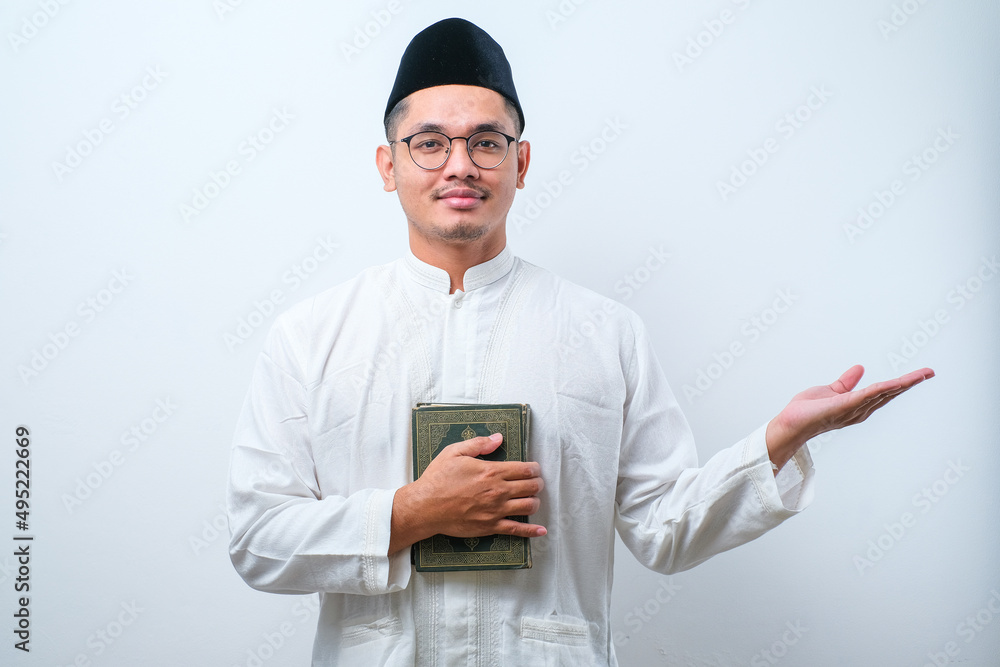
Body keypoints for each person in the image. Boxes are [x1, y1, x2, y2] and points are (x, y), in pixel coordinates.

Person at [226, 17, 933, 666]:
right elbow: (257, 538)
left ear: (521, 162)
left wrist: (777, 441)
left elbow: (666, 528)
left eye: (486, 142)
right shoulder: (312, 337)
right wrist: (410, 514)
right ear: (389, 165)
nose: (460, 164)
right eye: (430, 143)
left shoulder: (603, 332)